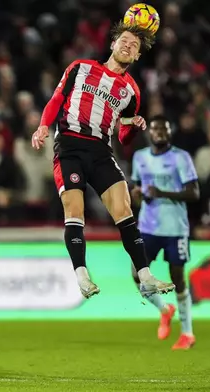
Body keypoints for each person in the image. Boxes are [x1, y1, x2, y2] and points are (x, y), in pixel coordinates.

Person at [31, 22, 175, 299]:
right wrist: (42, 126)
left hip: (100, 151)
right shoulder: (80, 67)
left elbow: (123, 137)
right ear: (112, 43)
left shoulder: (131, 90)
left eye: (134, 46)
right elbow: (57, 98)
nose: (128, 46)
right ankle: (82, 275)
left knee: (124, 208)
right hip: (70, 146)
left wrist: (132, 124)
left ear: (136, 57)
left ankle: (145, 276)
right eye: (124, 40)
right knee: (74, 211)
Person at [131, 115, 199, 350]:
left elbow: (194, 193)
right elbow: (136, 187)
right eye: (155, 129)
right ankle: (164, 309)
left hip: (175, 228)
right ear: (149, 133)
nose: (159, 132)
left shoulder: (181, 157)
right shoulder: (139, 157)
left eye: (164, 128)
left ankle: (187, 334)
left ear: (170, 132)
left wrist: (162, 192)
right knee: (137, 273)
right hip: (148, 227)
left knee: (178, 278)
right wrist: (137, 194)